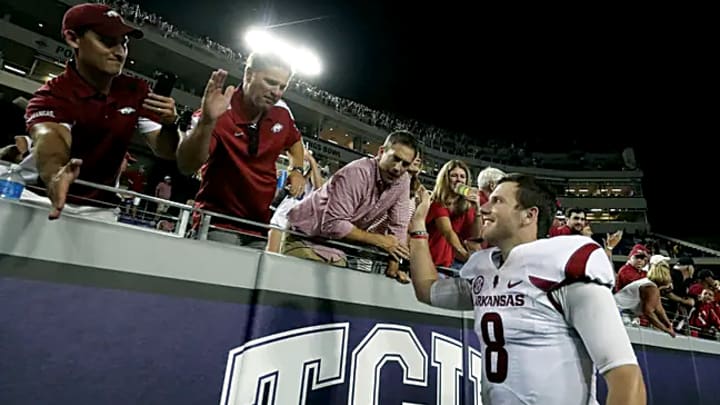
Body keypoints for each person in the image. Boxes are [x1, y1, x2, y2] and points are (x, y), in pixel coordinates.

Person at [408, 173, 646, 405]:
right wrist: (418, 226)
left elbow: (624, 375)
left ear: (529, 215)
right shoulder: (484, 269)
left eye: (497, 201)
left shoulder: (563, 266)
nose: (484, 208)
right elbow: (428, 290)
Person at [25, 3, 180, 220]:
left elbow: (166, 151)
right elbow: (51, 139)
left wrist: (170, 125)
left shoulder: (136, 90)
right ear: (73, 38)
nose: (119, 52)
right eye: (107, 41)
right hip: (39, 199)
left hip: (100, 208)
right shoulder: (52, 95)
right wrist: (55, 174)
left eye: (123, 43)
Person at [176, 52, 305, 247]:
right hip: (217, 224)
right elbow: (187, 165)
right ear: (249, 74)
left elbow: (295, 141)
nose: (276, 92)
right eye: (270, 82)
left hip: (259, 227)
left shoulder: (282, 111)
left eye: (282, 87)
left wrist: (297, 169)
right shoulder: (218, 111)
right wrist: (207, 122)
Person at [283, 131, 418, 267]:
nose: (397, 168)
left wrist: (394, 267)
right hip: (304, 238)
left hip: (336, 247)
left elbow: (399, 227)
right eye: (395, 158)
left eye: (405, 164)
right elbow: (333, 224)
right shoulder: (357, 172)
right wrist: (380, 240)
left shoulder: (402, 180)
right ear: (381, 152)